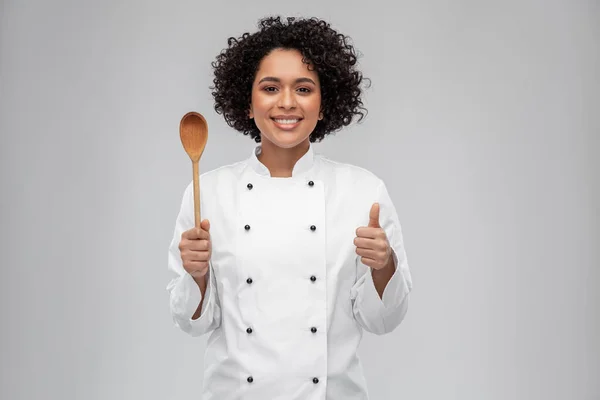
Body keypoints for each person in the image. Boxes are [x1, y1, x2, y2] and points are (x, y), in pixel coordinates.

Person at [166, 16, 413, 400]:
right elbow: (193, 323)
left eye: (303, 88)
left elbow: (383, 320)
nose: (286, 102)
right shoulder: (207, 192)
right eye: (270, 88)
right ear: (247, 103)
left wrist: (384, 266)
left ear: (324, 103)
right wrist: (195, 275)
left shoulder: (364, 191)